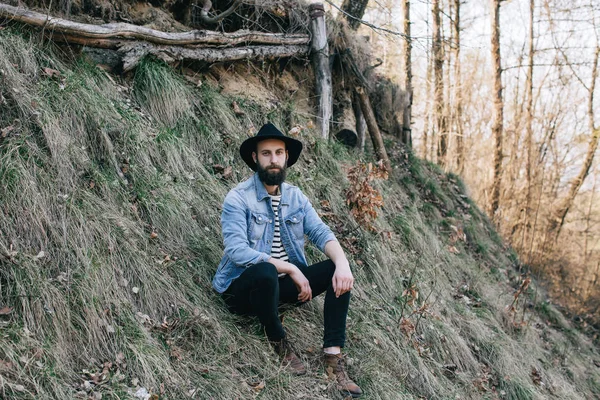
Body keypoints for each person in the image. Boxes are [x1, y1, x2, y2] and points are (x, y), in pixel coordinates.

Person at [212, 122, 362, 398]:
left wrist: (343, 264)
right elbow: (237, 251)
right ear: (255, 158)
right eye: (266, 153)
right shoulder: (238, 199)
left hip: (281, 289)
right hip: (243, 290)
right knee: (267, 270)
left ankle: (332, 357)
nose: (273, 159)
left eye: (279, 153)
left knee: (334, 269)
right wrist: (291, 267)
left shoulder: (296, 197)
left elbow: (320, 231)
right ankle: (279, 341)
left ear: (286, 157)